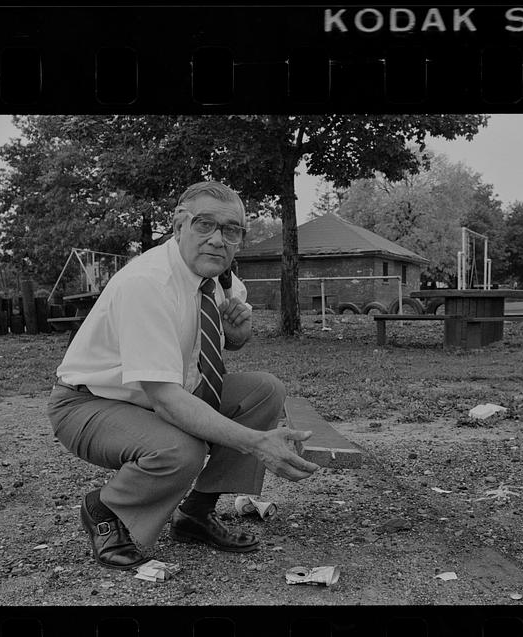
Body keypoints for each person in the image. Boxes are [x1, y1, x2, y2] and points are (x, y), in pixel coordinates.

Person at [47, 180, 320, 570]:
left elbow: (224, 343)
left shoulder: (220, 279)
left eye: (231, 230)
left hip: (157, 396)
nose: (217, 239)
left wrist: (238, 334)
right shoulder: (147, 284)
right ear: (178, 226)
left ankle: (195, 514)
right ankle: (106, 508)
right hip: (89, 403)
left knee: (264, 390)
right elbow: (166, 400)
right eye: (204, 224)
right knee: (181, 450)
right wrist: (257, 443)